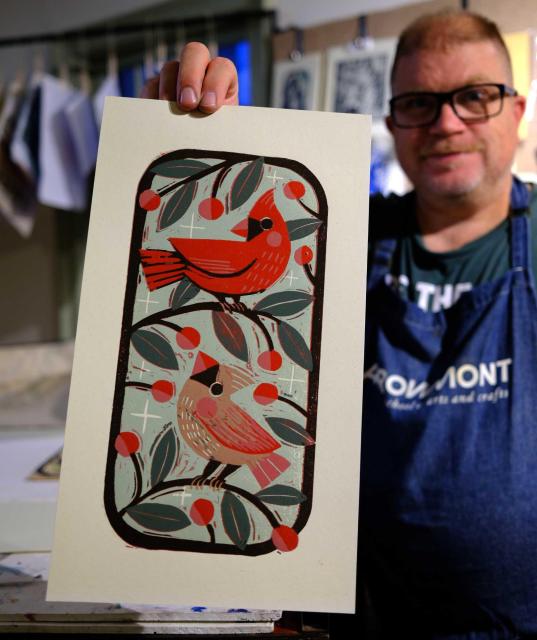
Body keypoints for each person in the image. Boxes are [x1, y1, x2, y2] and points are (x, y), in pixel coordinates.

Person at [142, 10, 537, 639]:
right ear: (391, 122)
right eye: (418, 102)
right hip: (357, 623)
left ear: (516, 111)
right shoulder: (337, 231)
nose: (445, 122)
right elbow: (228, 250)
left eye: (475, 96)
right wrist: (194, 133)